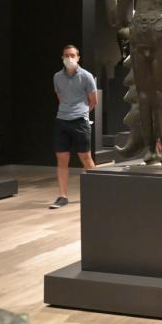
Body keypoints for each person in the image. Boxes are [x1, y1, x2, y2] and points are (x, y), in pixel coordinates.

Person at [51, 45, 97, 209]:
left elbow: (93, 101)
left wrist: (82, 112)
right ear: (62, 58)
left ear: (78, 58)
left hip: (80, 121)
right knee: (62, 159)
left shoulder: (86, 76)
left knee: (85, 157)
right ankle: (62, 196)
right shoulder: (57, 77)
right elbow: (60, 97)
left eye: (72, 55)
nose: (69, 58)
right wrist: (68, 110)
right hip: (61, 120)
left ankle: (97, 192)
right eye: (66, 55)